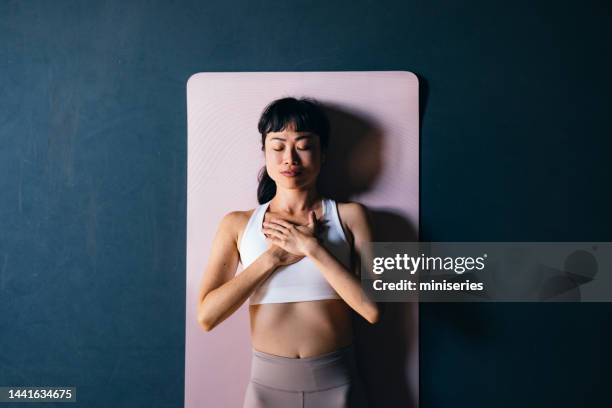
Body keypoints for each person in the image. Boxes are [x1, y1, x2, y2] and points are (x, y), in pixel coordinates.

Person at [197, 97, 379, 407]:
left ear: (323, 154)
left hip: (338, 384)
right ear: (265, 154)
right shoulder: (237, 224)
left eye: (303, 145)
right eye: (278, 147)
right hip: (266, 390)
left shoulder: (351, 216)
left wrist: (312, 248)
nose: (289, 159)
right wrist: (272, 259)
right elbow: (207, 317)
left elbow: (373, 310)